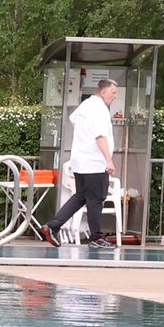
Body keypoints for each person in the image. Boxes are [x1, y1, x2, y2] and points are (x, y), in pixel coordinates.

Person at [53, 79, 120, 248]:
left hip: (80, 161)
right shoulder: (100, 110)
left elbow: (72, 119)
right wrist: (108, 160)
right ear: (103, 92)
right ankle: (96, 237)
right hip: (94, 162)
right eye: (113, 92)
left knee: (81, 196)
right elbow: (100, 136)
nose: (115, 96)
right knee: (96, 199)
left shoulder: (86, 104)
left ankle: (52, 226)